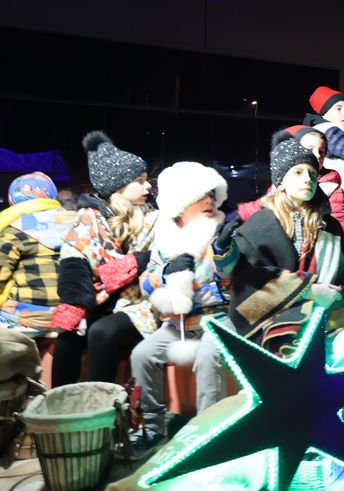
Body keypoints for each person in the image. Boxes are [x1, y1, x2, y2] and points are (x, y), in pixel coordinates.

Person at [215, 135, 344, 359]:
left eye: (313, 174)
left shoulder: (328, 226)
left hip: (326, 317)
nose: (308, 179)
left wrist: (331, 304)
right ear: (281, 181)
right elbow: (247, 279)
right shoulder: (260, 223)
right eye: (298, 172)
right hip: (270, 321)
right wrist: (307, 290)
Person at [130, 162, 229, 456]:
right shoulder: (165, 242)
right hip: (177, 326)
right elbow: (145, 285)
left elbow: (234, 277)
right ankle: (153, 428)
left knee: (210, 355)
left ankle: (208, 434)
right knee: (143, 354)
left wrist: (224, 257)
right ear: (180, 205)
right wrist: (164, 274)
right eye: (200, 195)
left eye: (212, 194)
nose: (209, 200)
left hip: (217, 320)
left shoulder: (222, 236)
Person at [53, 131, 157, 386]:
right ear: (118, 186)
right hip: (100, 300)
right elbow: (73, 260)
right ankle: (57, 406)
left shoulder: (153, 219)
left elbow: (157, 260)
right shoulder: (87, 221)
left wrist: (138, 262)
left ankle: (104, 407)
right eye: (140, 180)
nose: (148, 186)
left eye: (147, 180)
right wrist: (74, 304)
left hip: (139, 301)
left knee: (102, 332)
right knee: (69, 333)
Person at [238, 126, 344, 233]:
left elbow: (338, 228)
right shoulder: (280, 182)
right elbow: (264, 205)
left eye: (321, 151)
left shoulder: (331, 187)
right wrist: (239, 217)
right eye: (310, 149)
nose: (317, 155)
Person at [0, 173, 71, 333]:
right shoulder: (79, 222)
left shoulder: (13, 230)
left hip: (28, 315)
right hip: (74, 312)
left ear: (13, 200)